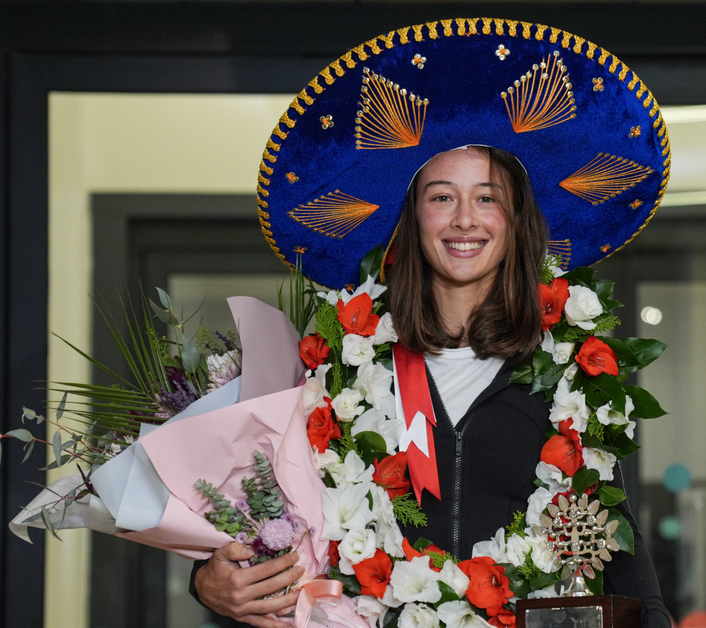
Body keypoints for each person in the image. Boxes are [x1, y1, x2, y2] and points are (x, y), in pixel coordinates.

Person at [193, 17, 674, 627]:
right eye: (442, 196)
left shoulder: (568, 378)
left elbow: (616, 551)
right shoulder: (337, 371)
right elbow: (266, 520)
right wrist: (205, 580)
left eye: (488, 197)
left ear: (516, 219)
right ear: (412, 217)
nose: (465, 220)